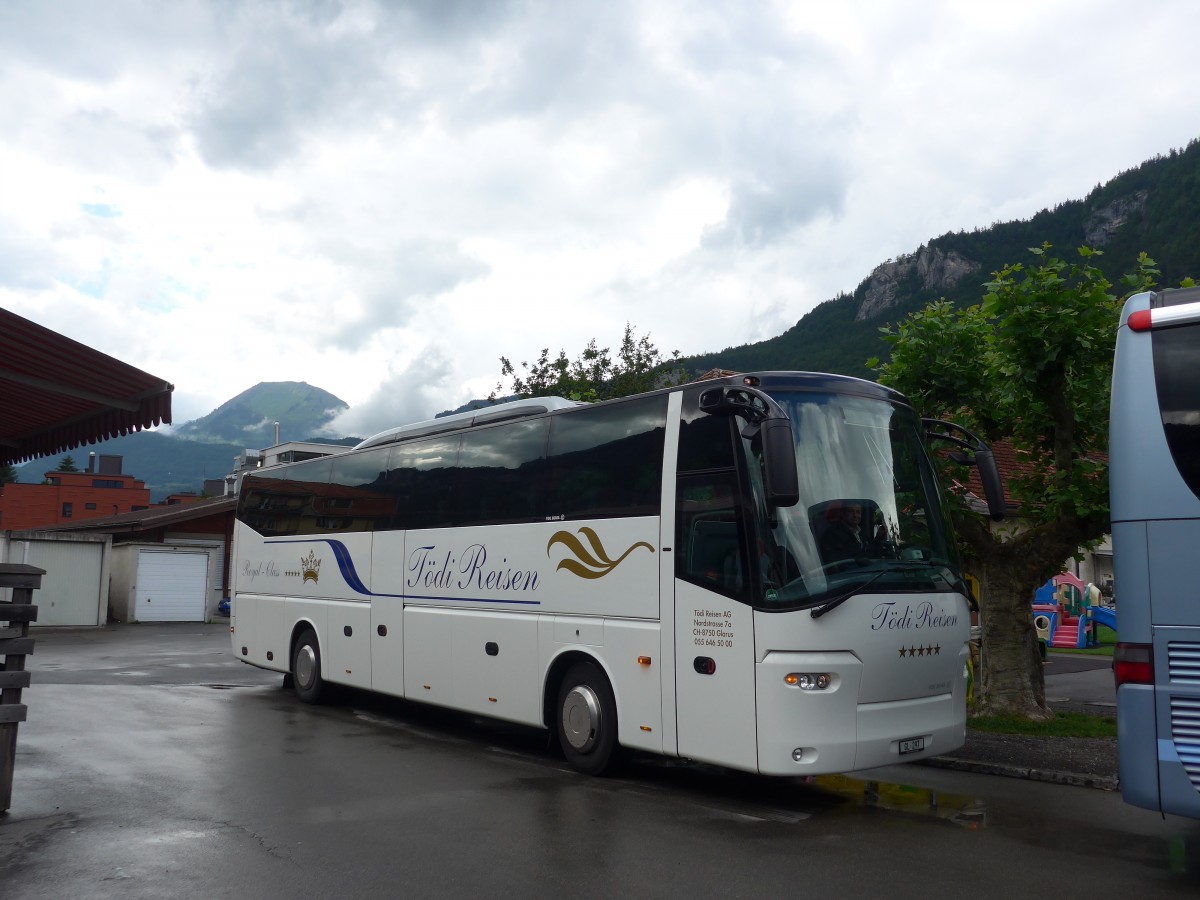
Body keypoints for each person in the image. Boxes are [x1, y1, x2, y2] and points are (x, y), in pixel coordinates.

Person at [819, 502, 886, 563]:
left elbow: (870, 553)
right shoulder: (833, 534)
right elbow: (841, 563)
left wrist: (879, 536)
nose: (855, 515)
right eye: (851, 511)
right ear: (843, 513)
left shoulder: (862, 532)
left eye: (858, 512)